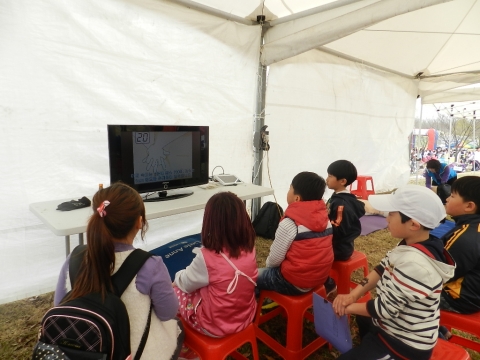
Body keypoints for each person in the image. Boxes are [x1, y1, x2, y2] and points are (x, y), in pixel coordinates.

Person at [54, 182, 183, 359]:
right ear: (139, 222)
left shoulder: (74, 258)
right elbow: (168, 312)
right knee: (177, 328)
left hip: (83, 349)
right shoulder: (150, 265)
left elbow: (59, 304)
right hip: (138, 353)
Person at [333, 185, 455, 360]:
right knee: (364, 320)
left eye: (391, 214)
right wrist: (353, 295)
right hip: (390, 327)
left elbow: (384, 309)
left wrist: (345, 307)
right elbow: (382, 268)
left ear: (413, 224)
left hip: (404, 345)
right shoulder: (409, 244)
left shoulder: (416, 265)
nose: (386, 219)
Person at [173, 192, 258, 338]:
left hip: (213, 327)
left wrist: (175, 279)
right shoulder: (250, 248)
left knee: (173, 292)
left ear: (210, 222)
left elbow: (185, 283)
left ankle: (181, 343)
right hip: (246, 317)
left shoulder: (206, 257)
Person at [256, 171, 333, 296]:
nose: (288, 191)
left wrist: (269, 268)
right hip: (320, 278)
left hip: (294, 283)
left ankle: (255, 305)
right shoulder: (326, 220)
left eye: (290, 188)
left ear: (297, 198)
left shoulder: (290, 224)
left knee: (249, 277)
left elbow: (274, 260)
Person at [323, 160, 366, 300]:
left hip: (339, 248)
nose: (326, 179)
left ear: (342, 181)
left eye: (330, 176)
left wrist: (320, 228)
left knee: (311, 254)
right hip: (338, 245)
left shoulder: (341, 203)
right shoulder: (340, 198)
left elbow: (338, 230)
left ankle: (328, 284)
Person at [440, 176, 480, 314]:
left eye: (452, 196)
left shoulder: (465, 236)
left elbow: (442, 272)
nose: (447, 199)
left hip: (460, 298)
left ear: (469, 206)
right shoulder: (474, 227)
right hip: (475, 295)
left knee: (405, 293)